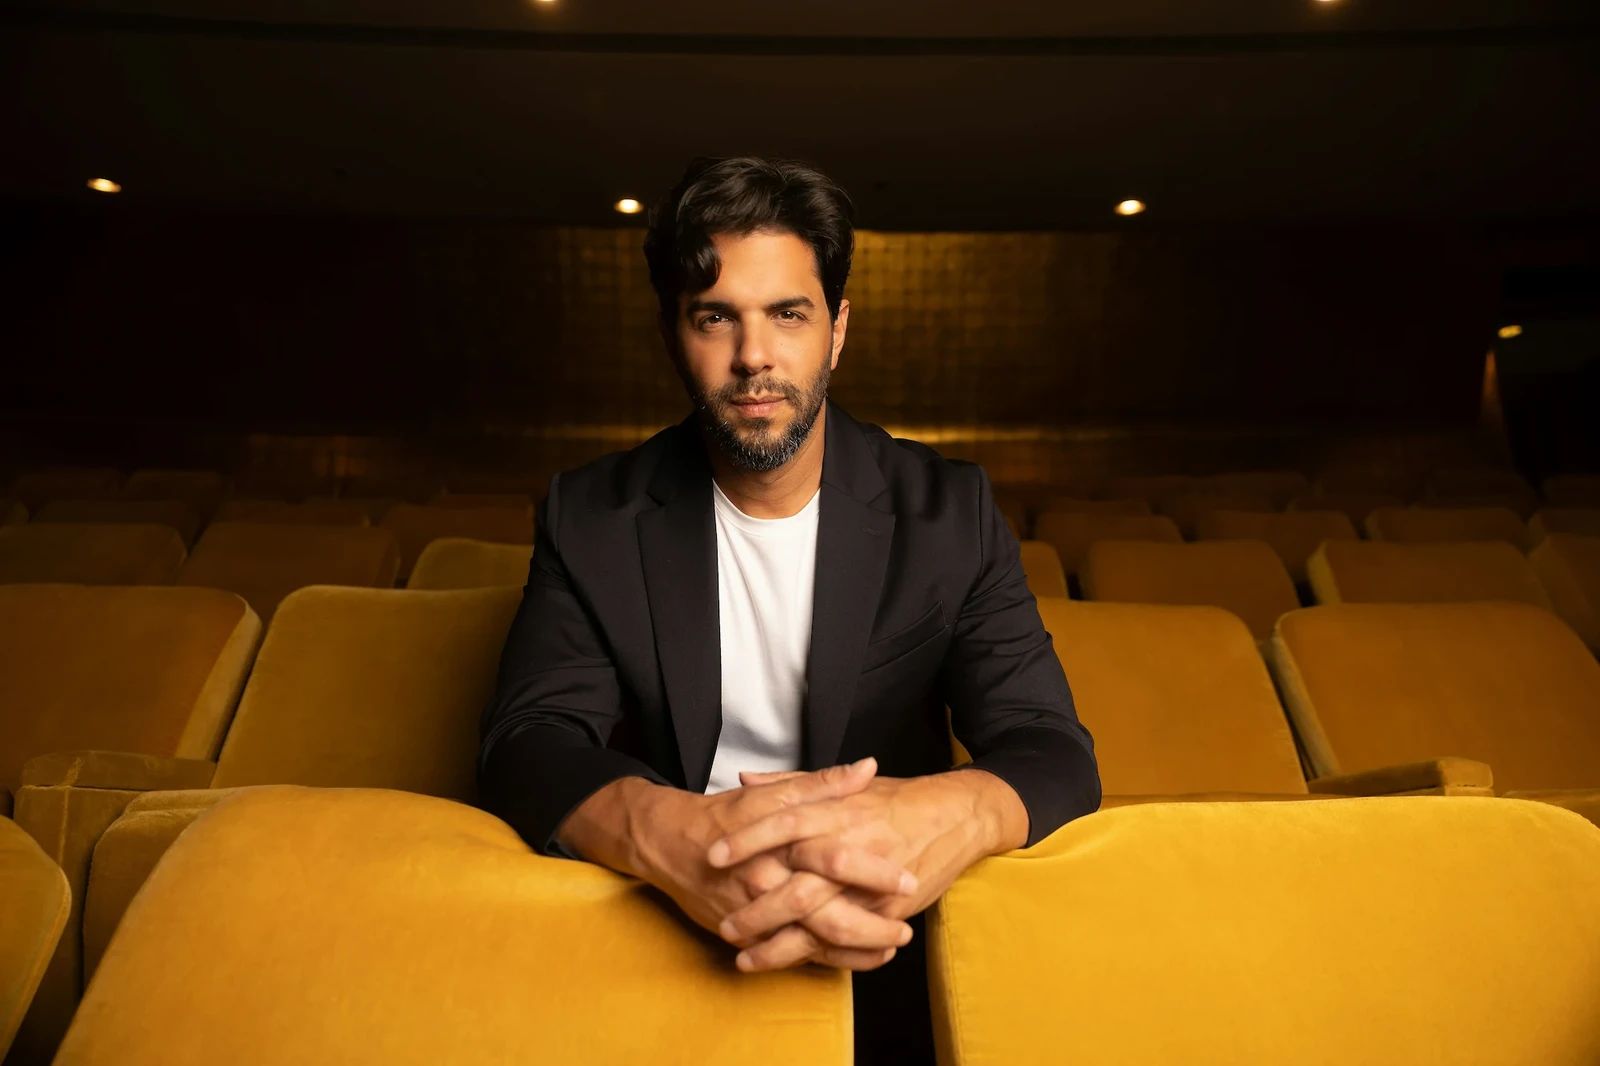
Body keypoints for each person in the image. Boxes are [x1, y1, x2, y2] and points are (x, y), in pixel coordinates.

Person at [479, 155, 1100, 1064]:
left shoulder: (948, 511)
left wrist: (938, 815)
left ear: (837, 330)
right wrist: (676, 837)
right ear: (671, 333)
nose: (754, 357)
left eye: (788, 314)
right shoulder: (592, 515)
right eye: (715, 317)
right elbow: (528, 742)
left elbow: (1051, 747)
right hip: (659, 927)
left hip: (884, 937)